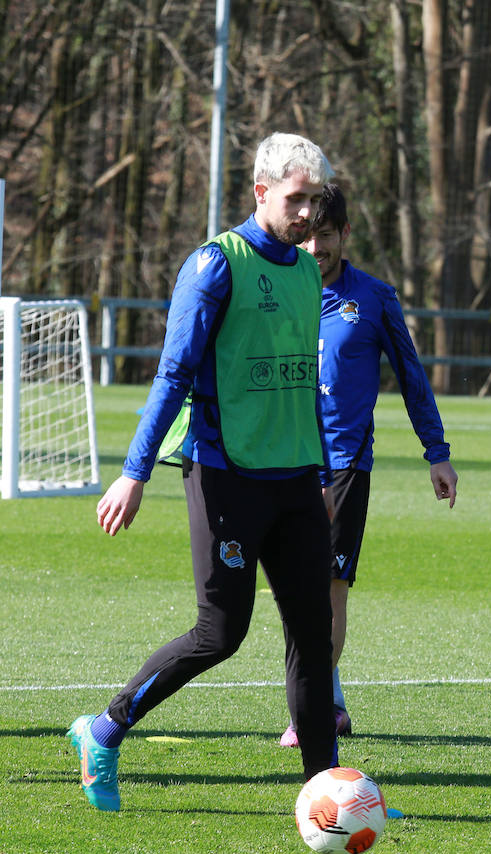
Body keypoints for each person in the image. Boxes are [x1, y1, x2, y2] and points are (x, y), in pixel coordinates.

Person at [71, 133, 341, 811]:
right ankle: (105, 730)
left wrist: (323, 474)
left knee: (313, 637)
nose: (308, 212)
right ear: (261, 192)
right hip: (225, 475)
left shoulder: (309, 272)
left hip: (295, 481)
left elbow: (304, 382)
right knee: (221, 632)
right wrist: (134, 473)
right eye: (296, 198)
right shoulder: (216, 265)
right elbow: (173, 374)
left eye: (316, 199)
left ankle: (328, 795)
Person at [277, 183, 458, 748]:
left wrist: (438, 453)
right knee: (290, 591)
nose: (314, 248)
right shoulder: (274, 289)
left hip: (344, 463)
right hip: (281, 459)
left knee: (329, 587)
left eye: (325, 236)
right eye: (305, 236)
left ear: (344, 235)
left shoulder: (374, 298)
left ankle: (314, 711)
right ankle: (326, 700)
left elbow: (411, 376)